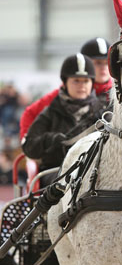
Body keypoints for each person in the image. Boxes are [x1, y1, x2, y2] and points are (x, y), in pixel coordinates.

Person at [21, 53, 102, 185]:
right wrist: (50, 139)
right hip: (55, 172)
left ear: (92, 83)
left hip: (94, 172)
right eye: (76, 81)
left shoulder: (101, 113)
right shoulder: (50, 112)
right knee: (68, 182)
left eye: (86, 81)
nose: (81, 86)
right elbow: (29, 147)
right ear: (64, 83)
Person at [20, 37, 112, 140]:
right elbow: (30, 113)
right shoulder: (63, 95)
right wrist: (30, 148)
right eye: (98, 62)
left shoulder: (117, 95)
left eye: (107, 62)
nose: (104, 67)